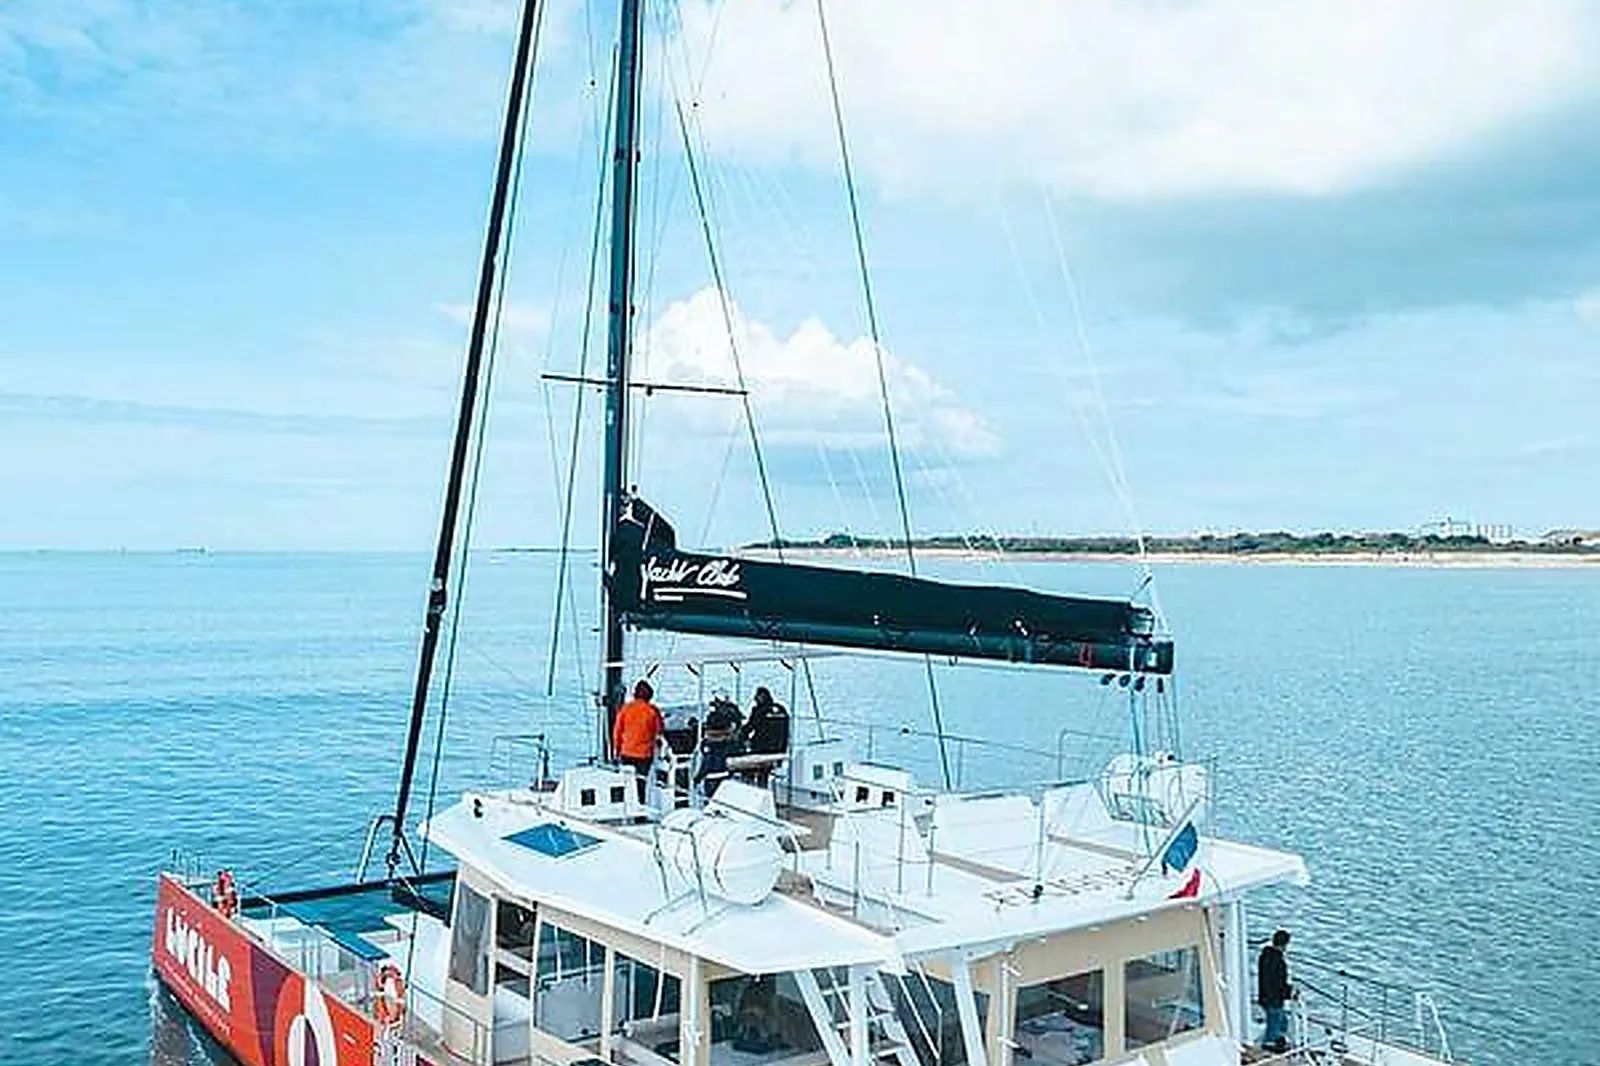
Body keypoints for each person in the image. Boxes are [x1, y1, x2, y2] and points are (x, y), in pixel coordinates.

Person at [612, 679, 663, 803]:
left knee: (627, 782)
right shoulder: (652, 711)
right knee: (641, 783)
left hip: (627, 752)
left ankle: (625, 804)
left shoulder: (626, 709)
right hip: (644, 754)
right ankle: (640, 805)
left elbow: (617, 731)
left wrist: (617, 750)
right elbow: (659, 731)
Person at [1258, 929, 1294, 1053]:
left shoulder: (1265, 956)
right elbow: (1278, 984)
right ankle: (1270, 1048)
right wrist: (1290, 992)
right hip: (1274, 999)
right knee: (1274, 1026)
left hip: (1265, 995)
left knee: (1282, 1021)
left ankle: (1278, 1041)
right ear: (1284, 945)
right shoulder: (1278, 962)